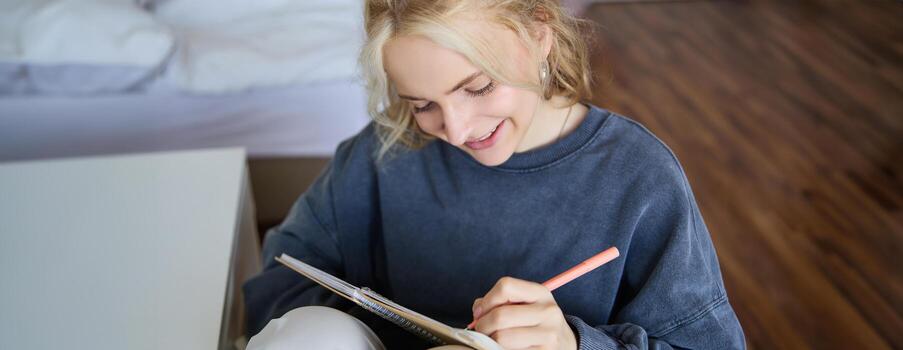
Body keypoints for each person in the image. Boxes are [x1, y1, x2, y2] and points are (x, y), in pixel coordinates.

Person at [243, 1, 746, 349]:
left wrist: (574, 343)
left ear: (541, 34)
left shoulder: (639, 178)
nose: (457, 130)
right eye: (422, 105)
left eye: (478, 87)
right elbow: (277, 289)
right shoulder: (383, 155)